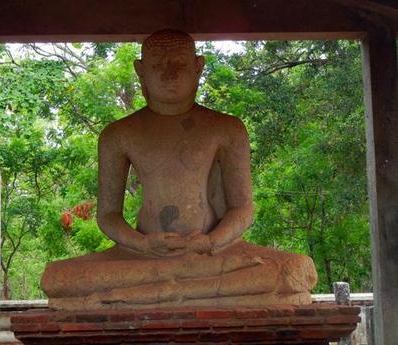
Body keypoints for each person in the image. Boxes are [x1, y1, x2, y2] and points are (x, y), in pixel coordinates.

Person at [41, 29, 317, 310]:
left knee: (295, 268)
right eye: (158, 66)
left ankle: (145, 295)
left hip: (213, 255)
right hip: (143, 258)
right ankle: (189, 290)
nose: (169, 75)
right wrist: (143, 245)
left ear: (198, 66)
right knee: (58, 277)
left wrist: (211, 241)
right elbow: (109, 216)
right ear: (140, 70)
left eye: (180, 65)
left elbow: (243, 209)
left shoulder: (226, 128)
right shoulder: (118, 134)